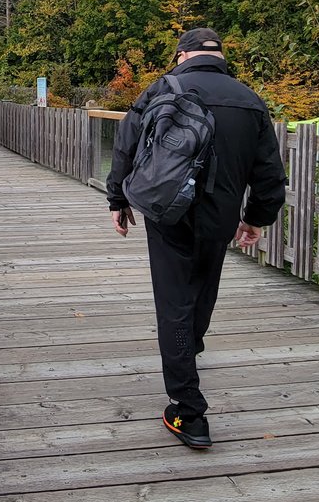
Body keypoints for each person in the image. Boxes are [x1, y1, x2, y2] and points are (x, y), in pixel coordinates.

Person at [106, 28, 287, 449]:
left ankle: (188, 412)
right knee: (202, 293)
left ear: (182, 55)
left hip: (167, 214)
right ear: (220, 56)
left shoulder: (163, 88)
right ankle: (187, 349)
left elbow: (126, 146)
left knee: (174, 304)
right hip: (220, 217)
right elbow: (270, 174)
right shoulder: (249, 99)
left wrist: (118, 199)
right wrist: (256, 218)